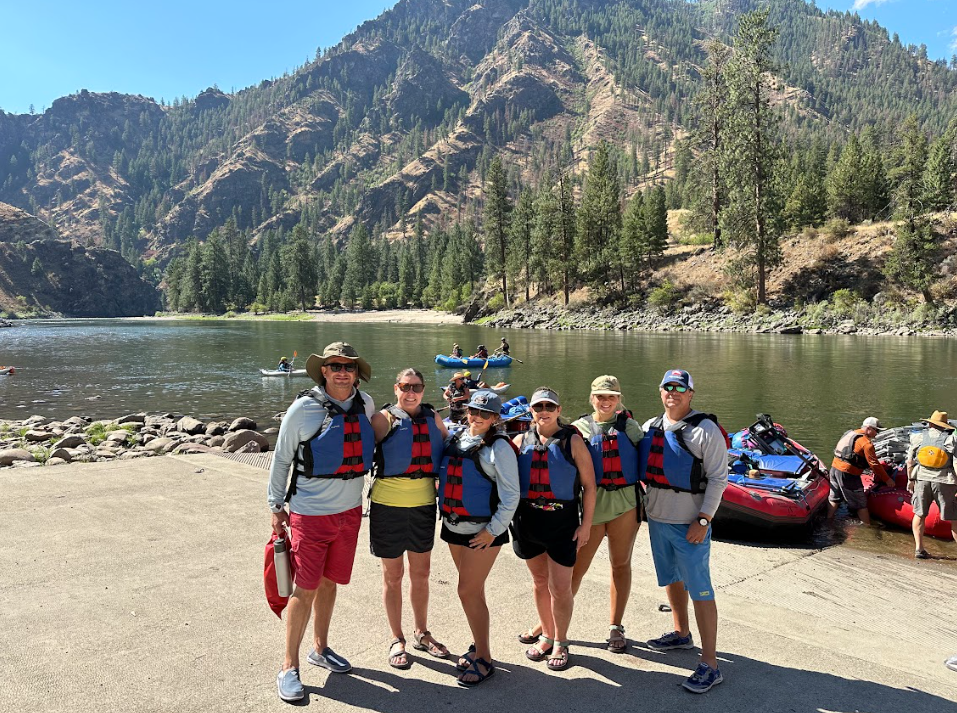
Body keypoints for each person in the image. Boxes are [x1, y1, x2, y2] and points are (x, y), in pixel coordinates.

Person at [268, 342, 375, 702]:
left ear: (357, 372)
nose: (342, 371)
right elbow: (281, 459)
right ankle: (288, 666)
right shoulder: (303, 409)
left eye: (349, 366)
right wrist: (275, 505)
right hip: (309, 515)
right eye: (335, 366)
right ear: (324, 371)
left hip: (349, 513)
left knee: (330, 585)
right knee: (306, 589)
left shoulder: (366, 404)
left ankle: (321, 648)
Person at [638, 369, 728, 694]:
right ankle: (681, 633)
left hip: (691, 524)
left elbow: (718, 479)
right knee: (672, 578)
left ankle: (710, 664)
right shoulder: (651, 427)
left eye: (680, 387)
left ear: (690, 393)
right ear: (660, 391)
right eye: (667, 387)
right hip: (658, 520)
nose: (672, 392)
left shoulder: (706, 431)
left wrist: (703, 520)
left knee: (701, 589)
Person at [438, 390, 520, 687]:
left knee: (466, 591)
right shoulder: (456, 439)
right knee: (474, 591)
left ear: (495, 418)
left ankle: (484, 658)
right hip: (453, 526)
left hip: (482, 532)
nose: (477, 417)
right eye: (473, 411)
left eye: (485, 414)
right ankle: (477, 645)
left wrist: (493, 531)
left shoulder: (499, 449)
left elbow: (511, 495)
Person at [511, 387, 596, 672]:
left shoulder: (572, 440)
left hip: (563, 522)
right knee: (538, 582)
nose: (543, 411)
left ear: (559, 410)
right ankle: (546, 634)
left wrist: (586, 526)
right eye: (538, 407)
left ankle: (561, 641)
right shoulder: (521, 440)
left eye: (549, 406)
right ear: (531, 411)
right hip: (528, 521)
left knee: (560, 588)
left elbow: (589, 486)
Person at [370, 369, 450, 668]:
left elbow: (448, 451)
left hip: (423, 505)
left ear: (423, 389)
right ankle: (396, 638)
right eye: (405, 387)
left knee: (421, 573)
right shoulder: (383, 419)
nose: (411, 392)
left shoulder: (433, 418)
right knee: (393, 576)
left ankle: (421, 632)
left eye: (416, 387)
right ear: (396, 388)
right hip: (387, 505)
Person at [906, 410, 957, 559]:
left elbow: (910, 462)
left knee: (919, 514)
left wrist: (910, 480)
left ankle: (919, 549)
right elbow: (955, 464)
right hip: (944, 481)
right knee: (954, 518)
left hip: (922, 479)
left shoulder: (918, 437)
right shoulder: (950, 440)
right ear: (945, 426)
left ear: (930, 423)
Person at [827, 417, 894, 524]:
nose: (876, 434)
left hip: (834, 469)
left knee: (834, 497)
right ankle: (868, 527)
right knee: (861, 503)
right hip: (848, 474)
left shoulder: (850, 433)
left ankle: (829, 519)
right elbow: (874, 464)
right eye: (876, 430)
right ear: (868, 428)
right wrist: (887, 479)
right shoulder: (866, 444)